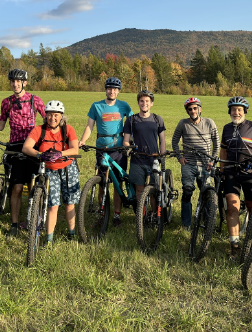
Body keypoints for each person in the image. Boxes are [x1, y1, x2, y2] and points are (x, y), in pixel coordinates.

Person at [0, 69, 46, 238]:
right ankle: (14, 224)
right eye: (12, 81)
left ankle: (33, 219)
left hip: (32, 145)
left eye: (18, 81)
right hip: (14, 146)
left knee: (33, 184)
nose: (15, 84)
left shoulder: (34, 99)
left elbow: (47, 120)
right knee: (16, 187)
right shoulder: (7, 102)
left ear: (25, 83)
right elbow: (0, 126)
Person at [220, 96, 252, 258]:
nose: (236, 113)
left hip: (249, 172)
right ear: (230, 111)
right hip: (231, 172)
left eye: (240, 110)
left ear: (245, 112)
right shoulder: (226, 128)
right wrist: (222, 169)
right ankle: (234, 246)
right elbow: (223, 149)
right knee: (232, 207)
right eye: (234, 110)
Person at [22, 100, 80, 244]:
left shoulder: (68, 129)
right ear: (45, 115)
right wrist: (39, 155)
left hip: (68, 169)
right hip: (50, 170)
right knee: (52, 205)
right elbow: (26, 147)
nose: (52, 118)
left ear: (61, 116)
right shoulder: (39, 130)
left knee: (69, 203)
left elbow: (75, 149)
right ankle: (49, 239)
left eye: (56, 115)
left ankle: (72, 234)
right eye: (49, 115)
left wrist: (60, 153)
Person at [79, 77, 133, 227]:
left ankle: (116, 215)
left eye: (115, 89)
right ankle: (103, 214)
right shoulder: (96, 106)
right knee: (103, 183)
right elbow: (89, 126)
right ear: (105, 89)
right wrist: (83, 140)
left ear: (119, 91)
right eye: (109, 88)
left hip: (119, 149)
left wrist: (132, 141)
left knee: (118, 184)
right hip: (101, 149)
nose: (112, 91)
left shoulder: (124, 106)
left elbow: (131, 124)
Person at [171, 97, 219, 230]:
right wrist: (179, 157)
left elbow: (217, 143)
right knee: (187, 191)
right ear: (187, 111)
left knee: (207, 192)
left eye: (195, 108)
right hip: (189, 164)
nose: (193, 111)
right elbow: (175, 141)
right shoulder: (183, 124)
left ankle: (207, 222)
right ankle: (186, 224)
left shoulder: (209, 123)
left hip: (206, 164)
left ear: (200, 109)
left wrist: (212, 160)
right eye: (190, 109)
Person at [123, 89, 166, 205]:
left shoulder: (158, 119)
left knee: (153, 190)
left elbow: (162, 139)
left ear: (151, 103)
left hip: (153, 159)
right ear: (138, 103)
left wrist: (162, 153)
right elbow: (126, 140)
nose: (144, 103)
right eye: (141, 101)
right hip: (137, 160)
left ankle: (152, 215)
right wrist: (128, 149)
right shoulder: (131, 120)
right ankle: (141, 216)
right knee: (139, 190)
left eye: (147, 101)